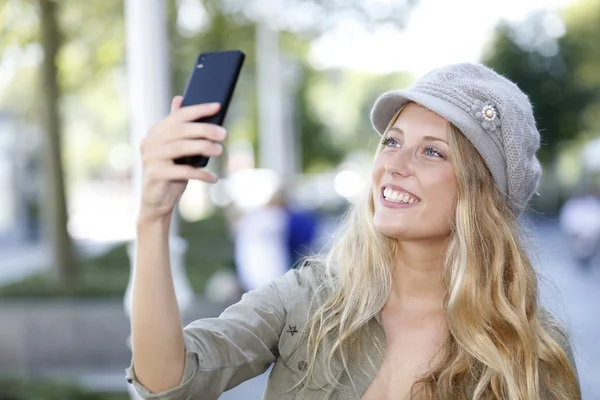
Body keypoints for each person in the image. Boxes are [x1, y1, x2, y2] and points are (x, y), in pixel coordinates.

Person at [126, 64, 581, 399]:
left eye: (433, 153)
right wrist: (153, 219)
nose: (395, 167)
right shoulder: (311, 299)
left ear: (480, 193)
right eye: (393, 142)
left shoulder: (530, 353)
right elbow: (169, 380)